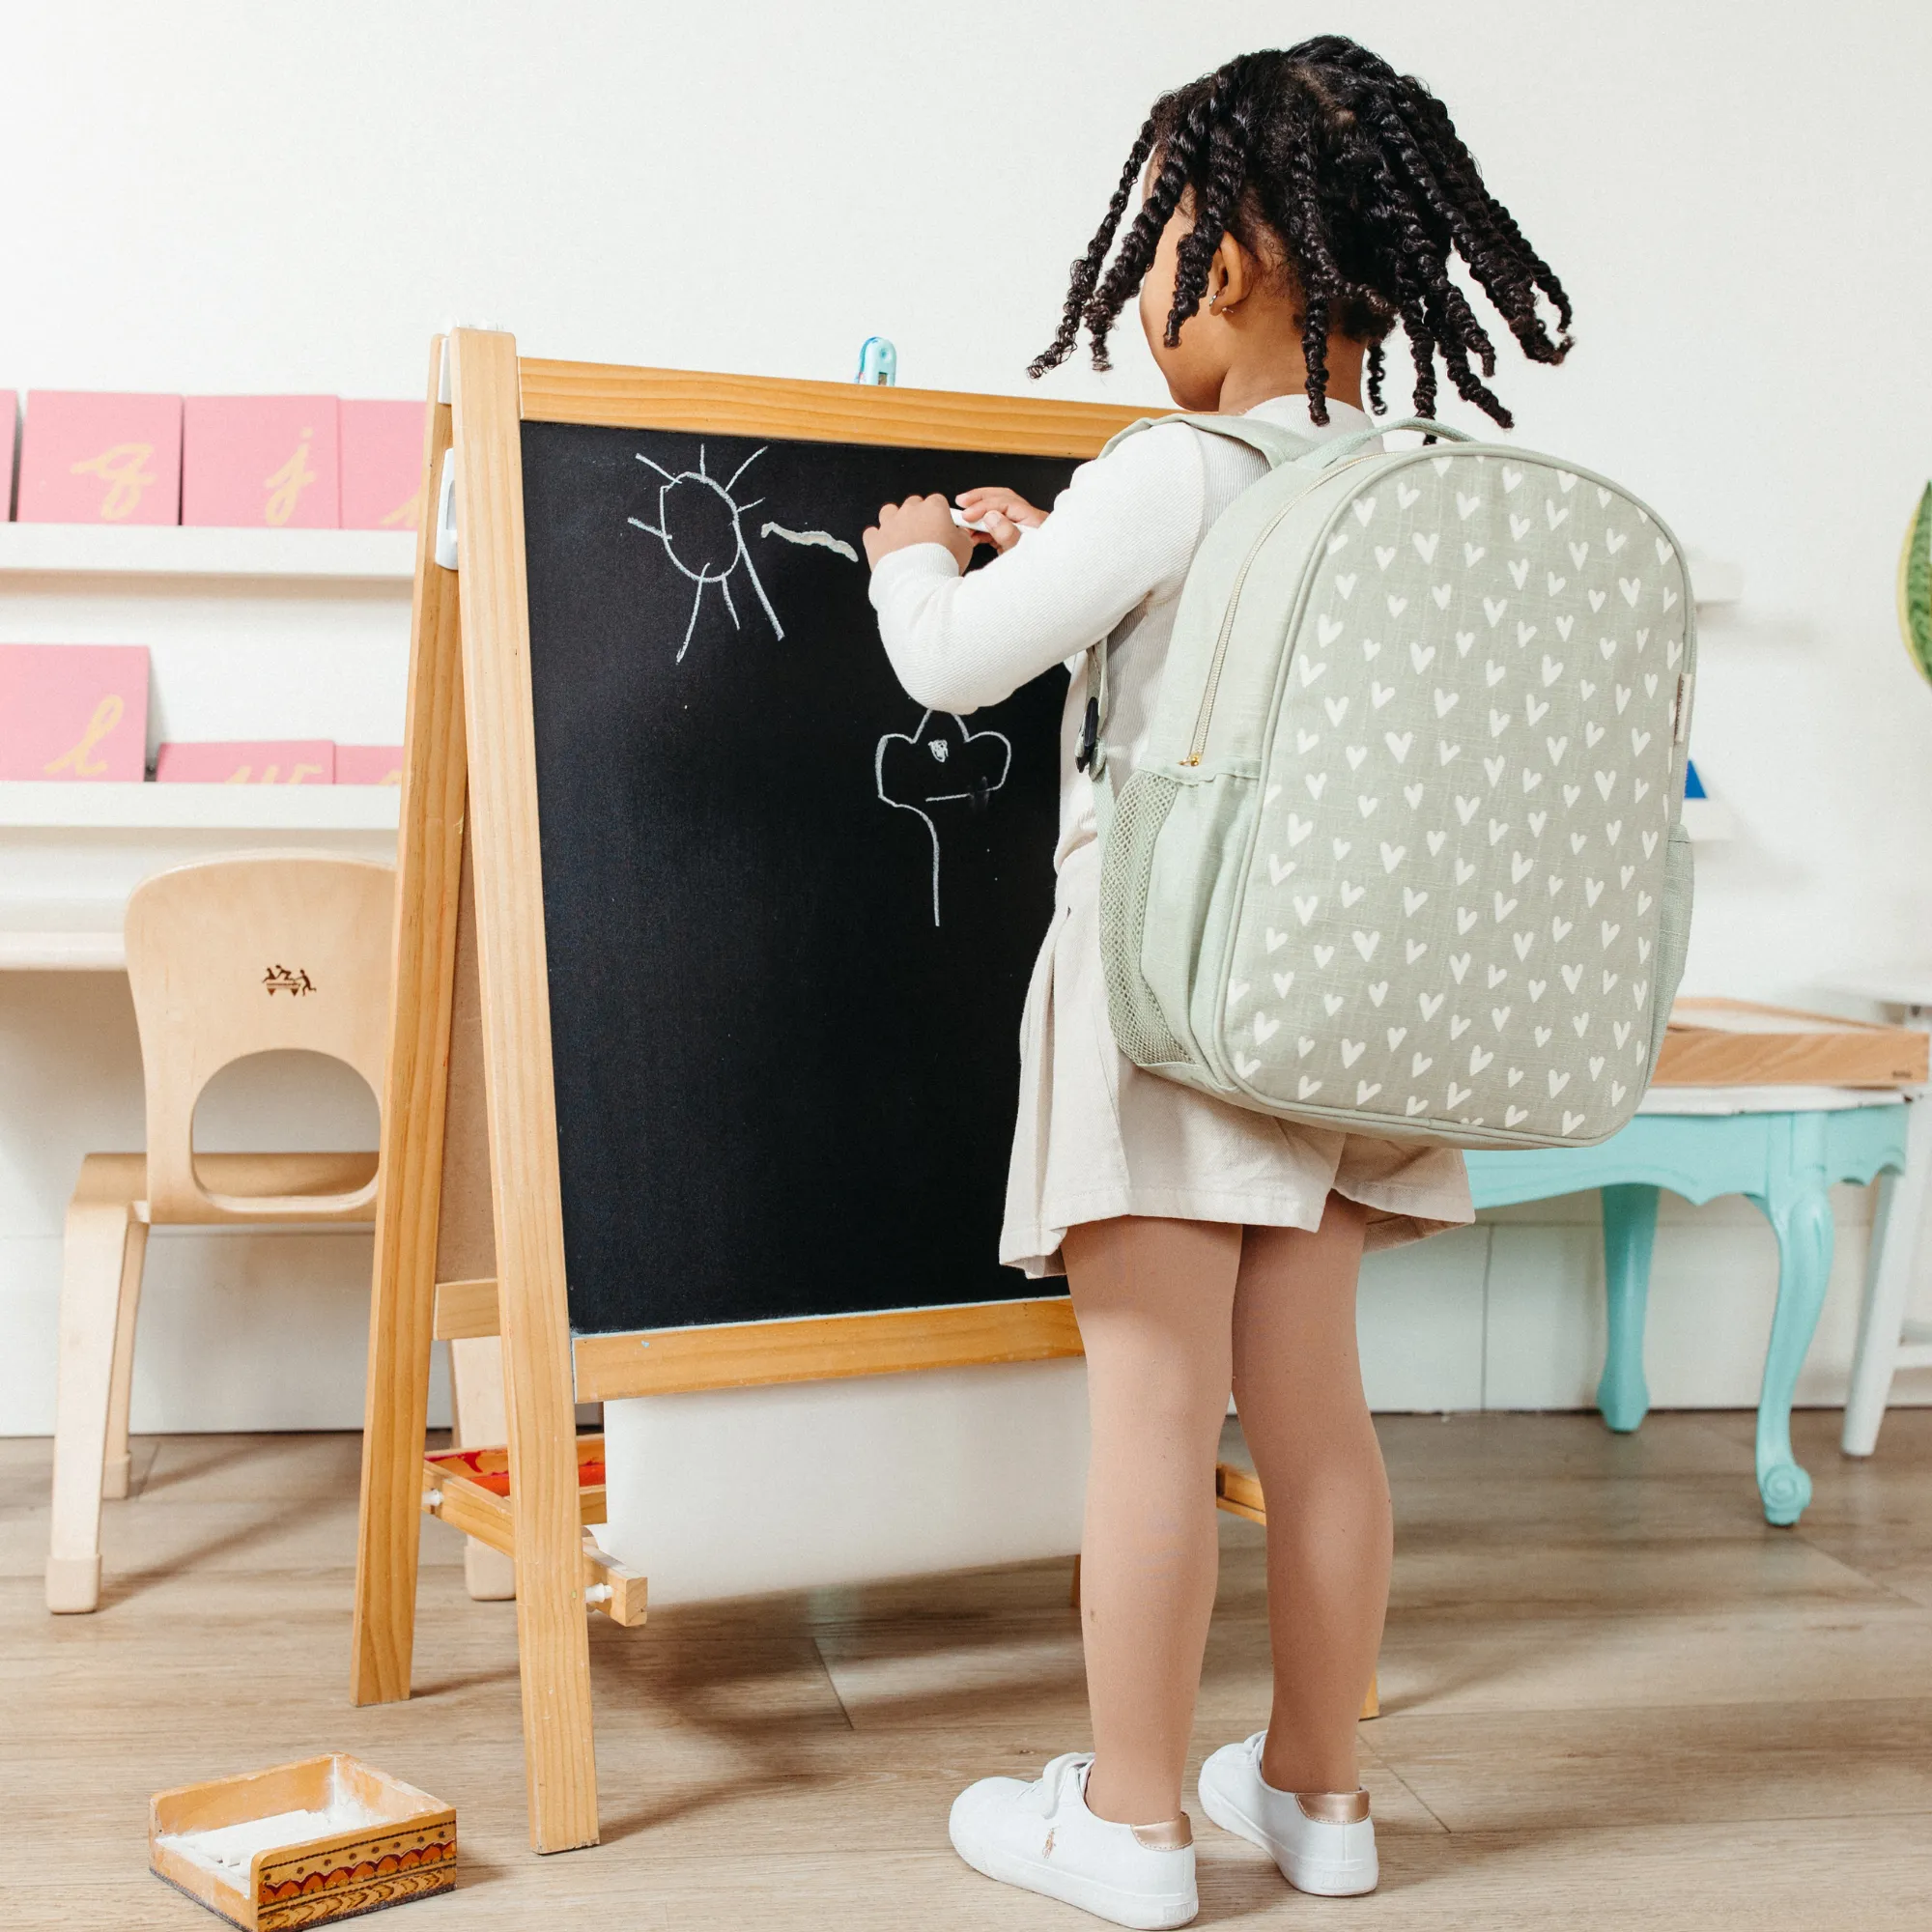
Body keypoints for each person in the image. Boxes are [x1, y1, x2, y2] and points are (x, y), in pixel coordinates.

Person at [864, 37, 1574, 1929]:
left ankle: (1131, 1821)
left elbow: (954, 668)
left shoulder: (1169, 470)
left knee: (1151, 1413)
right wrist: (1074, 562)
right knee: (1321, 1422)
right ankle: (1322, 1799)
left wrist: (916, 560)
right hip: (1349, 1010)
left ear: (1233, 262)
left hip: (1171, 1006)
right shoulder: (1428, 481)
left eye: (1166, 241)